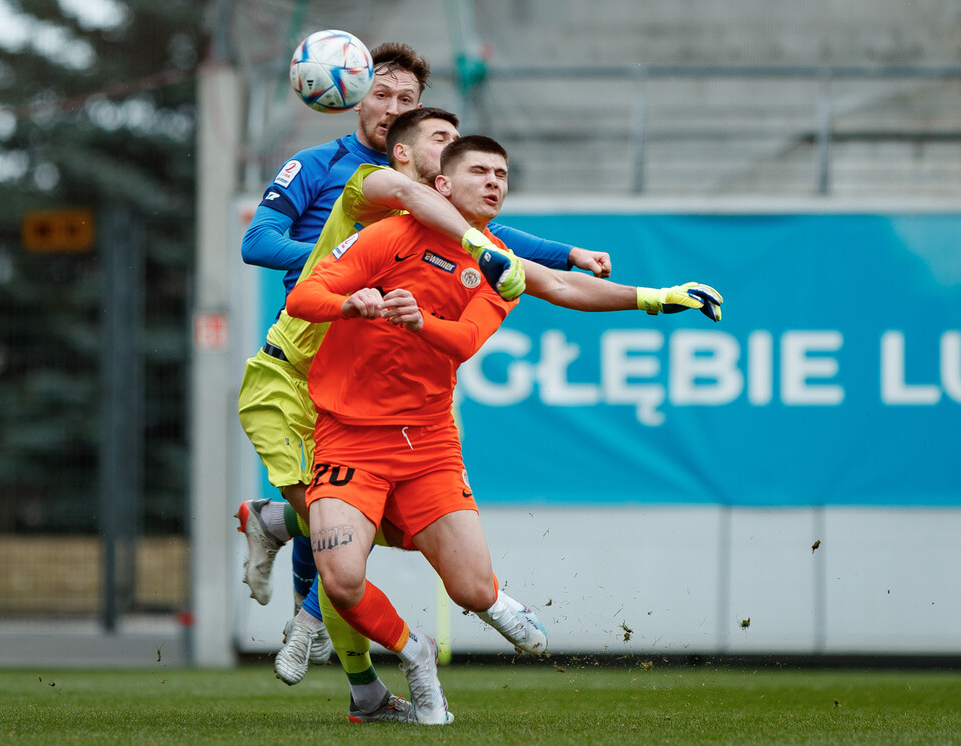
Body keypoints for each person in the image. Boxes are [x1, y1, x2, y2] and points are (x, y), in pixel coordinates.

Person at [284, 135, 721, 724]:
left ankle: (493, 602)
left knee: (469, 590)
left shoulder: (497, 263)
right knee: (340, 578)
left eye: (503, 175)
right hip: (349, 435)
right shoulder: (388, 234)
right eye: (480, 171)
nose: (495, 182)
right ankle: (415, 652)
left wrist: (658, 297)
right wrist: (351, 305)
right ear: (441, 185)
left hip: (428, 445)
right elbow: (306, 295)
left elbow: (499, 322)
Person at [239, 41, 611, 693]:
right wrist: (334, 256)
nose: (390, 107)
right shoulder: (325, 169)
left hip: (371, 378)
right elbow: (256, 239)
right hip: (307, 366)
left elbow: (489, 237)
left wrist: (568, 252)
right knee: (339, 523)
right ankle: (319, 620)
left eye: (406, 99)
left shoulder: (430, 186)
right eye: (379, 93)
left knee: (355, 522)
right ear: (353, 96)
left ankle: (306, 589)